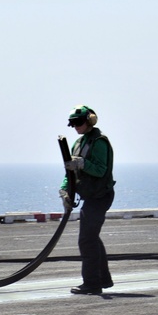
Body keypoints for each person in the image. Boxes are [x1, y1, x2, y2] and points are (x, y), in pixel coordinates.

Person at [60, 105, 116, 295]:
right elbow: (70, 170)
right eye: (72, 123)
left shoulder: (99, 142)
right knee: (91, 238)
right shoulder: (78, 143)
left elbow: (100, 170)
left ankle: (92, 283)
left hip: (100, 196)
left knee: (86, 240)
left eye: (78, 122)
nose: (75, 126)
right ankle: (103, 279)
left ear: (89, 120)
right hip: (90, 196)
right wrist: (65, 190)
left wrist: (82, 163)